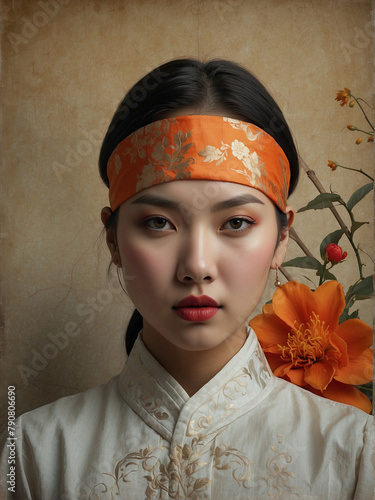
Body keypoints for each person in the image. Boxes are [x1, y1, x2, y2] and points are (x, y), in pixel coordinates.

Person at [1, 58, 373, 500]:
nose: (197, 266)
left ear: (281, 239)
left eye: (235, 223)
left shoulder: (356, 454)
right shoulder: (29, 454)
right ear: (114, 241)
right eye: (158, 222)